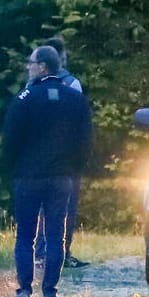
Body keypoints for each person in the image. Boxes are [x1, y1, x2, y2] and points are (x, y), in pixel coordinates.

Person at [2, 44, 93, 297]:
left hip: (28, 176)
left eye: (31, 63)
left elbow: (10, 140)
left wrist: (14, 168)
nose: (27, 67)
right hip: (62, 177)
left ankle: (23, 292)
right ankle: (51, 293)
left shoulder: (25, 98)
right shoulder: (75, 99)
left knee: (25, 236)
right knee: (56, 236)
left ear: (42, 67)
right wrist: (73, 168)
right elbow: (85, 142)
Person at [32, 36, 91, 269]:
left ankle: (41, 252)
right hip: (65, 157)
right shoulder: (72, 84)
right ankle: (61, 253)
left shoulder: (32, 86)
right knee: (65, 206)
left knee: (41, 206)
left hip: (37, 156)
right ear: (61, 59)